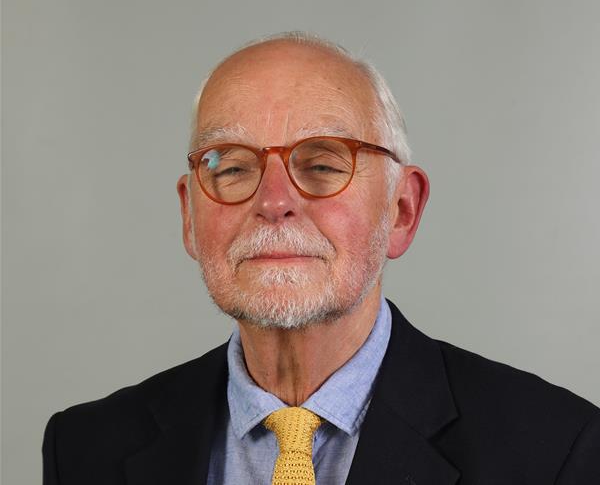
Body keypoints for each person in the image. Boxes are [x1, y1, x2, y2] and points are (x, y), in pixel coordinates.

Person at [42, 32, 600, 485]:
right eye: (232, 166)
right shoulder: (86, 450)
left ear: (402, 210)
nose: (273, 202)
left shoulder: (556, 452)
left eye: (324, 164)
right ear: (190, 216)